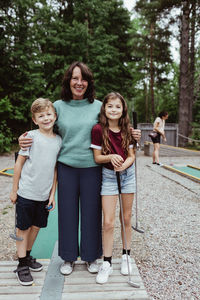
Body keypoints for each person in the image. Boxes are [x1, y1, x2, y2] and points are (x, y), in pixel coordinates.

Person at [18, 62, 141, 276]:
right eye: (75, 78)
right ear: (68, 81)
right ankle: (67, 257)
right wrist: (23, 138)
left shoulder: (98, 106)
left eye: (83, 78)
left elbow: (116, 125)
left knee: (92, 213)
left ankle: (92, 256)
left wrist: (133, 134)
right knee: (67, 214)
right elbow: (44, 125)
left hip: (93, 168)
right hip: (66, 167)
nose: (79, 82)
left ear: (88, 82)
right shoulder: (58, 105)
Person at [10, 98, 62, 286]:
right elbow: (19, 164)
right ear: (35, 119)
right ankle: (22, 264)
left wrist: (52, 194)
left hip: (43, 195)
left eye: (49, 114)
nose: (46, 118)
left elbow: (55, 168)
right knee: (22, 228)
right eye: (41, 116)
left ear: (54, 116)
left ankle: (28, 255)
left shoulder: (58, 141)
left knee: (37, 226)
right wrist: (14, 189)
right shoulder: (30, 137)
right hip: (26, 192)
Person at [91, 92, 136, 284]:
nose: (114, 110)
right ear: (104, 109)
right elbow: (97, 157)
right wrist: (111, 158)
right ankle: (107, 262)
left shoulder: (128, 129)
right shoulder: (98, 129)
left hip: (127, 176)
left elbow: (132, 156)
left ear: (123, 109)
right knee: (108, 222)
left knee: (126, 217)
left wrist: (126, 164)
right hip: (109, 177)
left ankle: (126, 256)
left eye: (118, 106)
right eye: (110, 106)